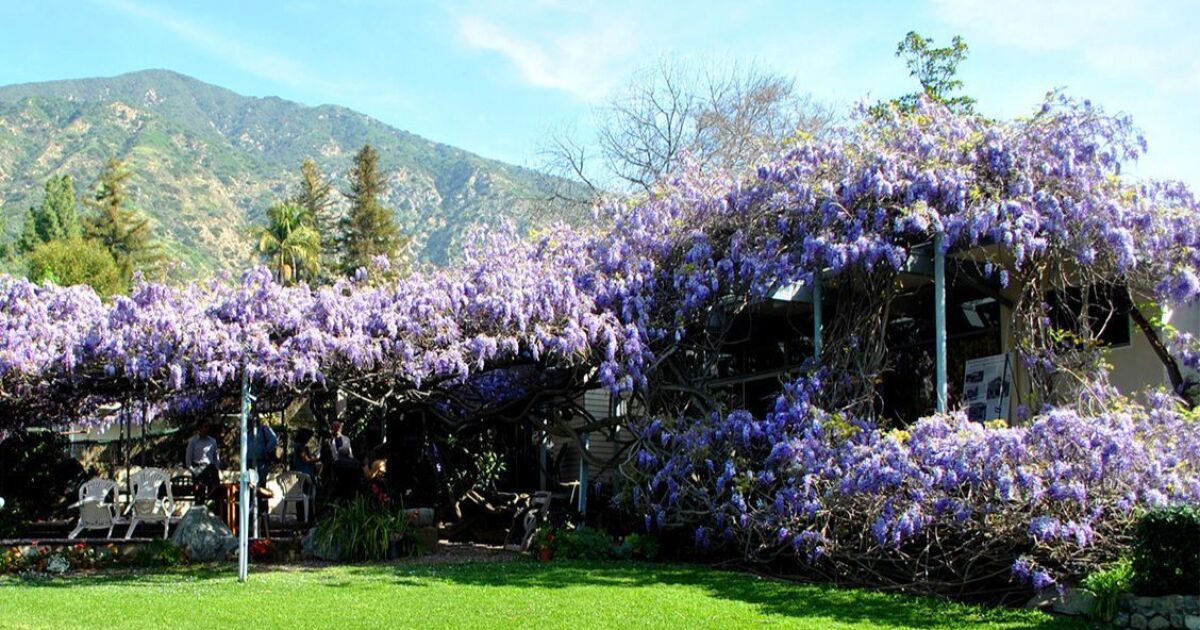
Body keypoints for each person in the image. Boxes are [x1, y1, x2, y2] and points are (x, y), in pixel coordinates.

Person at [185, 419, 220, 503]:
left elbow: (216, 458)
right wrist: (193, 471)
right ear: (199, 428)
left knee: (215, 483)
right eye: (205, 427)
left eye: (208, 427)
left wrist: (217, 467)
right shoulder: (193, 442)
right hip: (198, 468)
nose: (207, 429)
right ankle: (200, 503)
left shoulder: (212, 441)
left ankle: (212, 497)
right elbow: (188, 458)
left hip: (209, 468)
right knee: (199, 492)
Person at [247, 417, 278, 483]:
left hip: (261, 462)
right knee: (250, 483)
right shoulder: (248, 432)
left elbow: (273, 439)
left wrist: (266, 450)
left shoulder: (263, 429)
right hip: (249, 461)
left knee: (260, 483)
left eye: (250, 421)